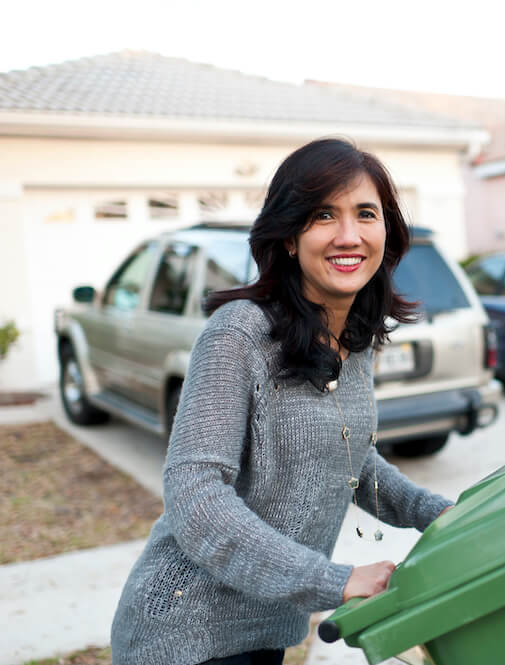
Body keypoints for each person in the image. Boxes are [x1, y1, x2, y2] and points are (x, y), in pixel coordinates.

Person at [110, 138, 453, 665]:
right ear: (290, 237)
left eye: (366, 213)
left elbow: (349, 458)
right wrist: (333, 580)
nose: (349, 235)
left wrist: (439, 514)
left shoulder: (353, 340)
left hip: (263, 633)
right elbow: (194, 495)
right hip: (184, 635)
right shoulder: (239, 335)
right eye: (323, 215)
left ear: (387, 231)